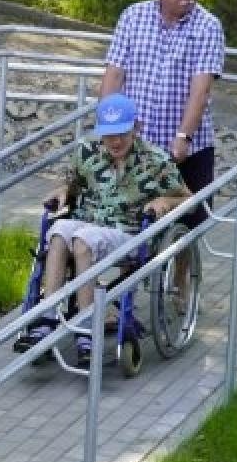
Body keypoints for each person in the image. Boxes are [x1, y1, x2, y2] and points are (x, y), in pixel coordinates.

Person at [12, 94, 189, 368]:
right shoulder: (87, 151)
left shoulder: (155, 161)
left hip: (128, 233)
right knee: (59, 230)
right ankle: (46, 319)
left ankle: (86, 331)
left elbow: (189, 199)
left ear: (136, 128)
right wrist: (63, 191)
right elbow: (73, 184)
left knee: (83, 239)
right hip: (87, 222)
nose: (115, 142)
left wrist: (165, 200)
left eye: (122, 134)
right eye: (109, 135)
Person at [99, 0, 225, 300]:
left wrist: (183, 136)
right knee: (131, 211)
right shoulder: (133, 16)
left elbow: (200, 90)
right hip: (137, 142)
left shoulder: (207, 26)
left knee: (188, 216)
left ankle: (181, 280)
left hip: (186, 143)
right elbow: (114, 74)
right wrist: (107, 124)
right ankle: (125, 283)